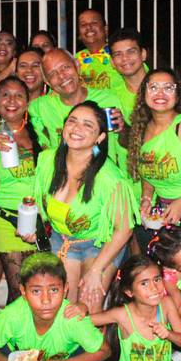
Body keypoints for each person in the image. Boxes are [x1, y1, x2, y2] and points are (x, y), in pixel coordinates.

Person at [28, 101, 136, 313]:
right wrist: (34, 229)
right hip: (62, 239)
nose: (77, 129)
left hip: (100, 245)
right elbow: (38, 205)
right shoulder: (47, 160)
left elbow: (124, 229)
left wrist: (96, 270)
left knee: (89, 309)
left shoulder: (110, 178)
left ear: (100, 137)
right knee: (61, 308)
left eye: (88, 125)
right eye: (72, 121)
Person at [127, 69, 181, 250]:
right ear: (144, 94)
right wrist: (146, 198)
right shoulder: (142, 129)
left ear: (178, 95)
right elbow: (149, 171)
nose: (160, 93)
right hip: (164, 213)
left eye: (168, 87)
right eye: (153, 87)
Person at [0, 77, 43, 297]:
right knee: (19, 290)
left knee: (37, 286)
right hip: (7, 216)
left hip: (40, 217)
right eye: (5, 95)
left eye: (19, 95)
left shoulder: (39, 129)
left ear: (27, 102)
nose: (12, 100)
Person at [29, 48, 127, 170]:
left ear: (77, 66)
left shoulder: (108, 100)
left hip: (105, 181)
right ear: (47, 82)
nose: (61, 76)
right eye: (53, 74)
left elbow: (127, 145)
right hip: (66, 183)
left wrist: (123, 130)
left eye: (65, 67)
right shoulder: (39, 108)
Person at [75, 8, 125, 92]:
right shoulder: (74, 60)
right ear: (79, 33)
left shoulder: (121, 53)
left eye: (94, 23)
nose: (88, 27)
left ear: (105, 29)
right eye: (83, 24)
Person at [108, 28, 150, 122]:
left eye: (131, 51)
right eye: (118, 54)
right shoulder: (112, 96)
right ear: (112, 62)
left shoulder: (164, 87)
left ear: (143, 54)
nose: (125, 58)